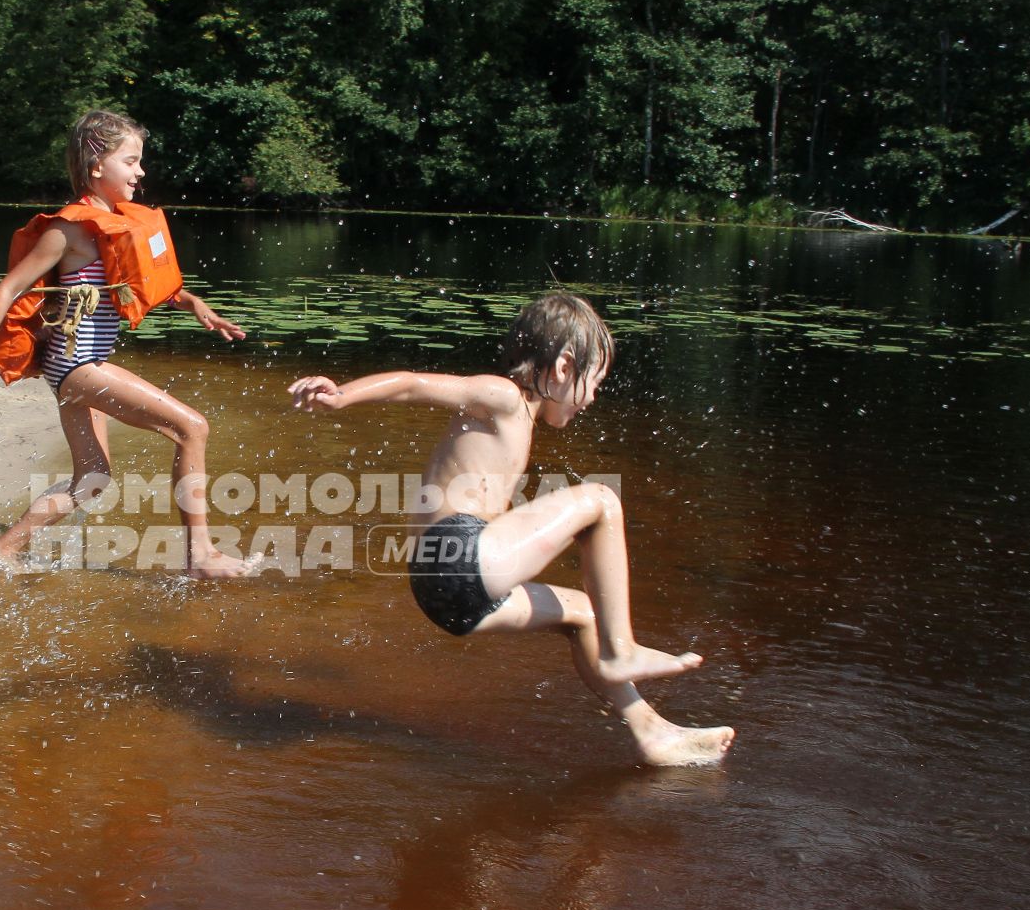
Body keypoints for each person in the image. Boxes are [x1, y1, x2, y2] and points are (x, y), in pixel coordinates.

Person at [289, 292, 733, 766]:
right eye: (595, 379)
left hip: (444, 589)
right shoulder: (504, 396)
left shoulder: (520, 416)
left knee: (584, 612)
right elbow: (413, 384)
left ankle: (651, 733)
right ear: (564, 366)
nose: (595, 395)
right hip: (458, 556)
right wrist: (343, 396)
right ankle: (621, 649)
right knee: (602, 501)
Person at [0, 109, 253, 577]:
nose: (140, 172)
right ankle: (202, 556)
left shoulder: (113, 225)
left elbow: (143, 285)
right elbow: (8, 290)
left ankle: (1, 550)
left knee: (91, 481)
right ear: (96, 166)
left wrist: (193, 304)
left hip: (74, 369)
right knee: (193, 428)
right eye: (130, 161)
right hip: (77, 363)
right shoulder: (68, 229)